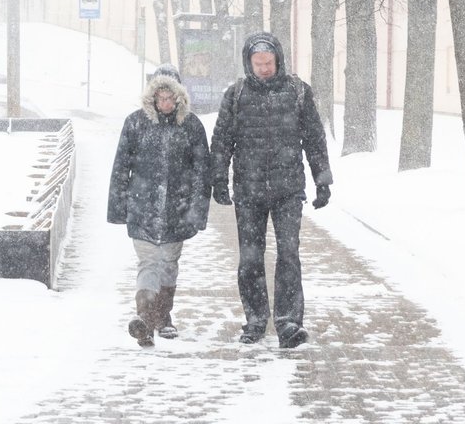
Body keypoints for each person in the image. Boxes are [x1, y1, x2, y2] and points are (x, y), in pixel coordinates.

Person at [211, 31, 333, 349]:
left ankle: (288, 321)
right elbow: (222, 140)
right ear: (248, 63)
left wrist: (322, 179)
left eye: (269, 62)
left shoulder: (297, 92)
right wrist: (218, 178)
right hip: (248, 191)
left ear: (278, 60)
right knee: (250, 258)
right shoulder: (236, 95)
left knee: (288, 254)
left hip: (287, 189)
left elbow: (314, 139)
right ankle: (255, 319)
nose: (264, 69)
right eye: (258, 63)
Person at [107, 64, 212, 347]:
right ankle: (144, 318)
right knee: (148, 263)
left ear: (179, 97)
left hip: (177, 210)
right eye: (160, 97)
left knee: (168, 264)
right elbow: (121, 166)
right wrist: (118, 206)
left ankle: (163, 317)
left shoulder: (191, 126)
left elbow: (202, 172)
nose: (165, 103)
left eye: (170, 98)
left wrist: (197, 210)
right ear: (152, 97)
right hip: (142, 207)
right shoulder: (135, 123)